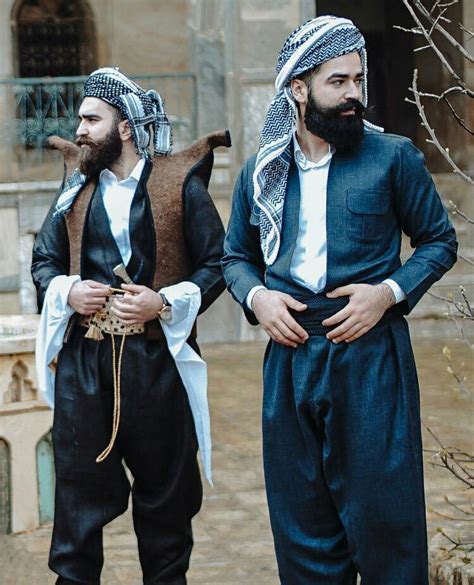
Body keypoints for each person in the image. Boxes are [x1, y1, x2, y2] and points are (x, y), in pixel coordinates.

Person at [222, 16, 457, 585]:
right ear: (298, 90)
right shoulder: (261, 171)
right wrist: (258, 299)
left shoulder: (393, 157)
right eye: (338, 81)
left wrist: (388, 293)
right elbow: (234, 257)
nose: (354, 93)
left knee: (386, 525)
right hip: (291, 356)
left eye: (359, 79)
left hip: (371, 357)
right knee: (302, 527)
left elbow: (438, 242)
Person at [32, 67, 230, 585]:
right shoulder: (73, 188)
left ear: (124, 127)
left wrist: (162, 303)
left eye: (91, 119)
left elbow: (219, 263)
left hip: (156, 365)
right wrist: (67, 291)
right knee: (75, 504)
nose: (79, 129)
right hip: (85, 364)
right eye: (79, 119)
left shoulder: (178, 183)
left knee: (166, 506)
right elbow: (43, 262)